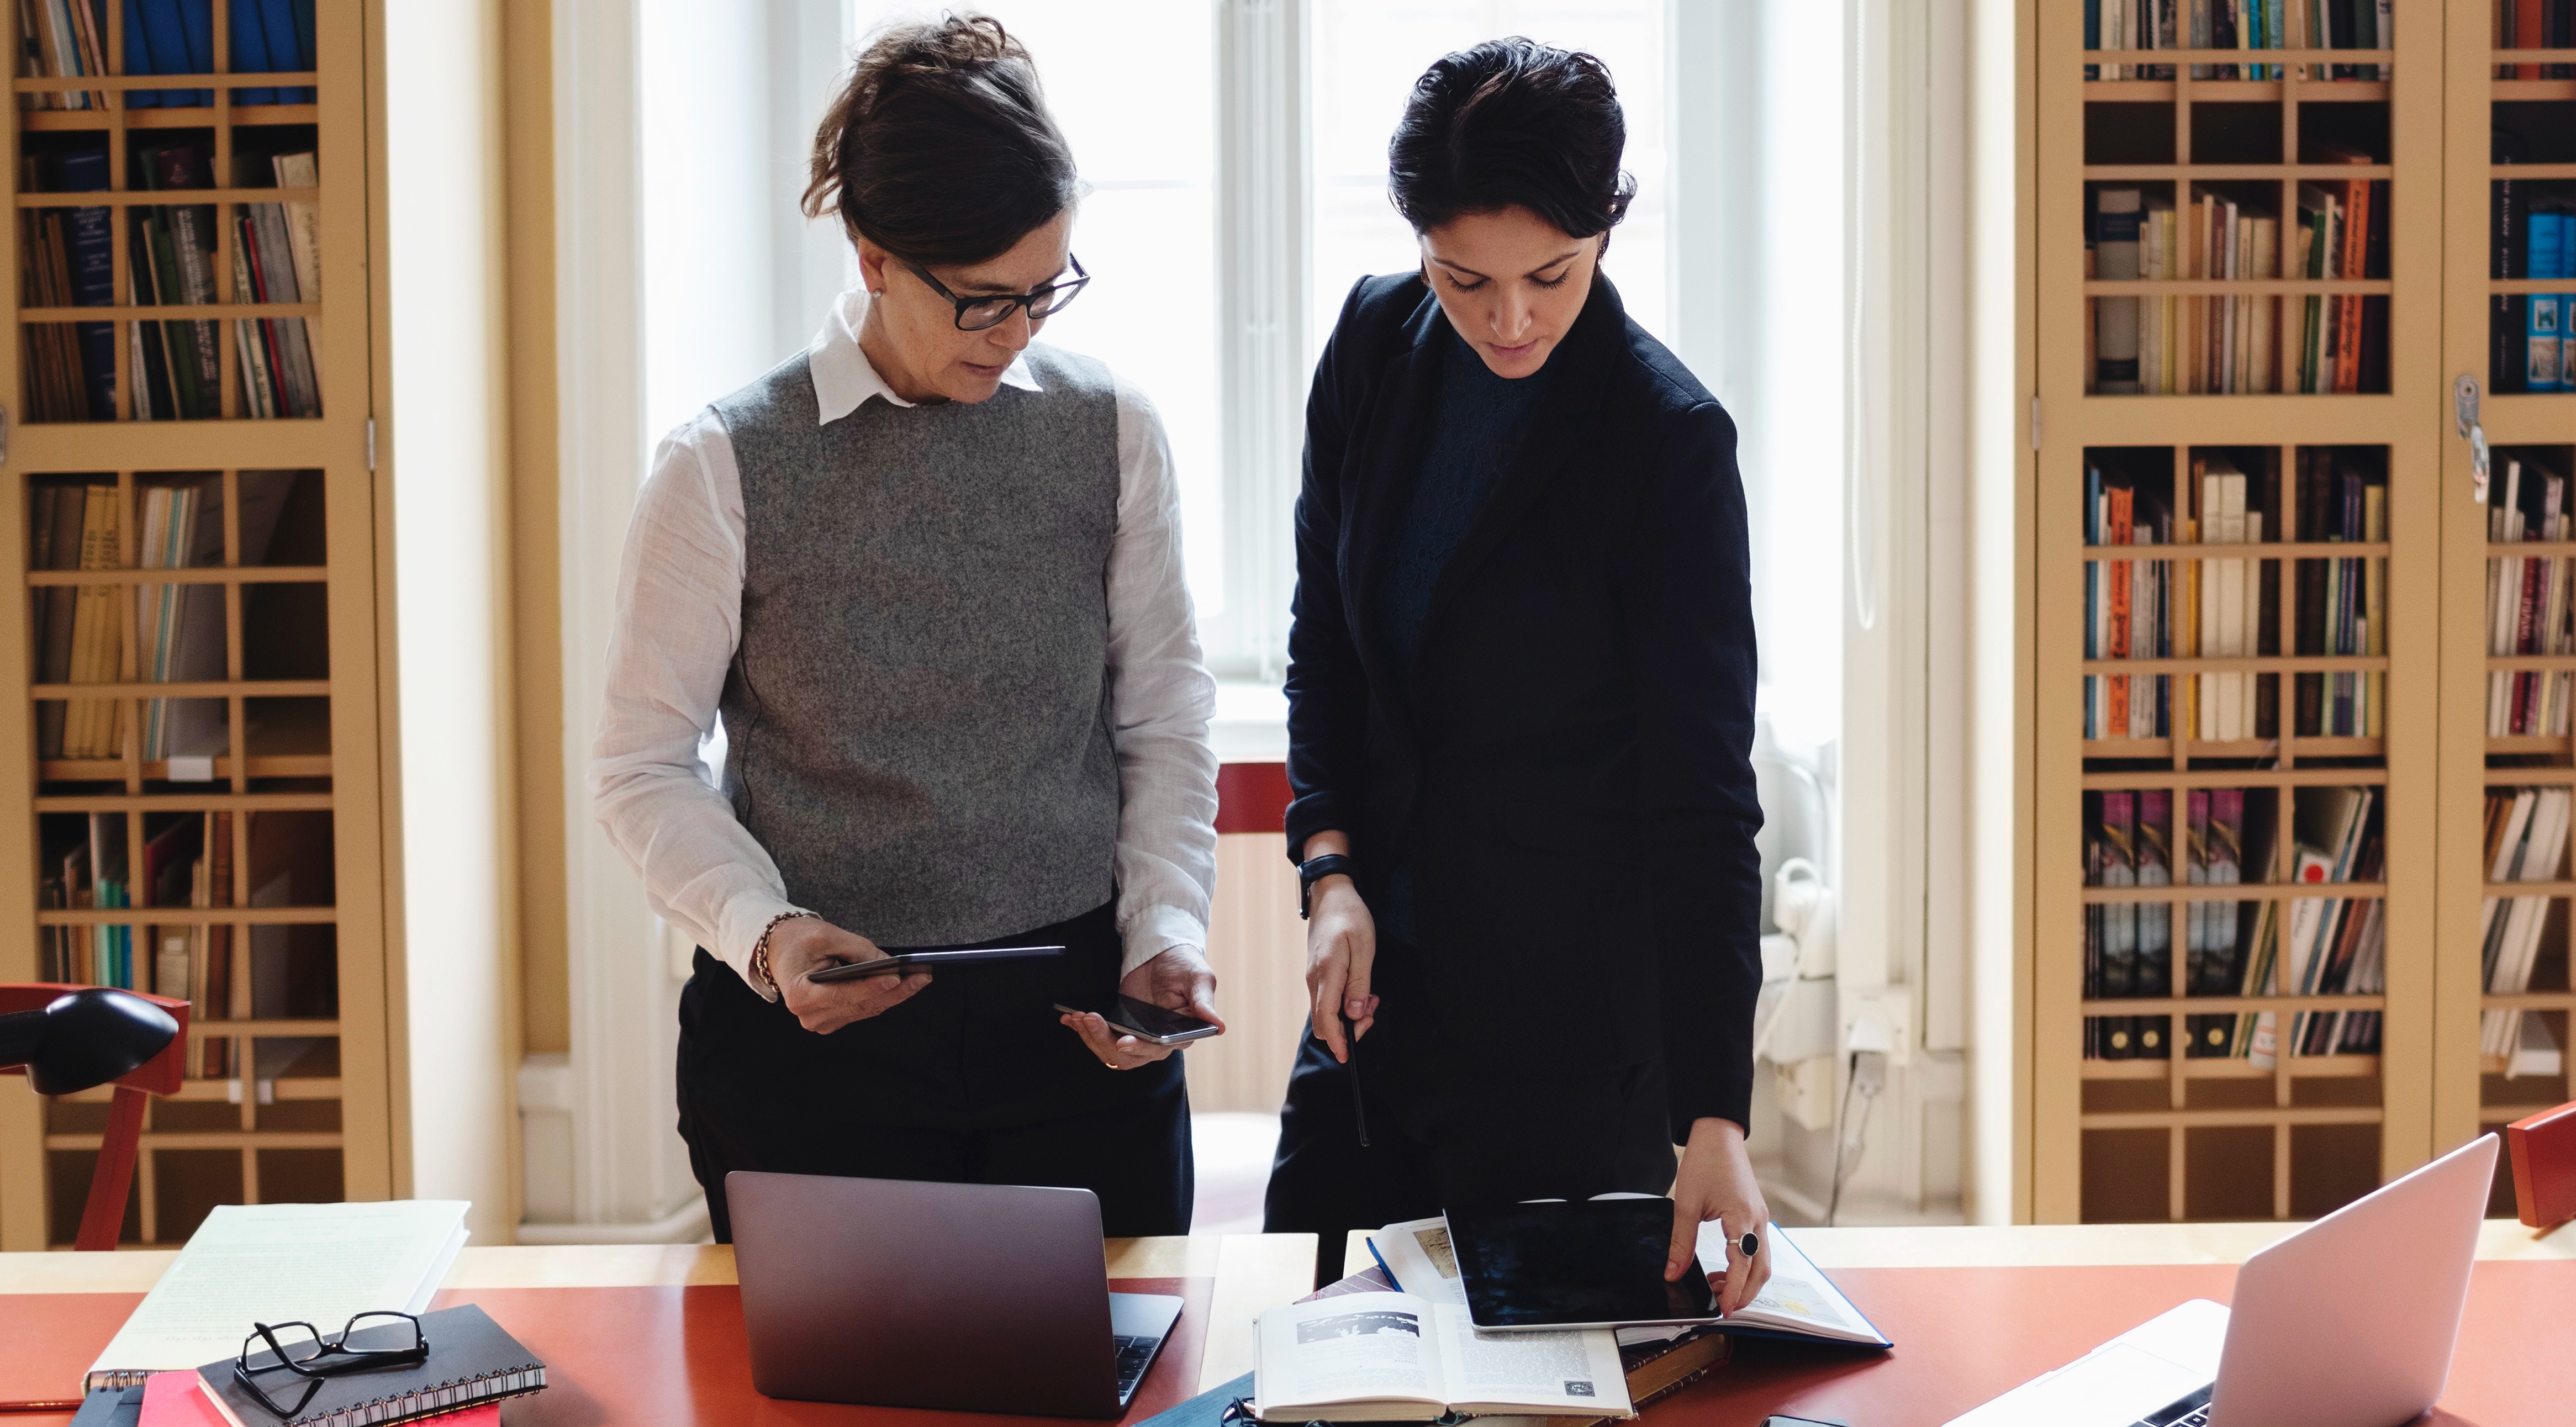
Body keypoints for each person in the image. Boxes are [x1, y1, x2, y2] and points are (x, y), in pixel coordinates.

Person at [592, 14, 1220, 1241]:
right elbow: (641, 766)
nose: (1021, 329)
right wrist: (764, 936)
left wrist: (1166, 932)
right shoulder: (721, 466)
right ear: (875, 258)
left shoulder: (1114, 432)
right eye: (985, 301)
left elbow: (1162, 714)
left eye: (1046, 290)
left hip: (1080, 1034)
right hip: (813, 1059)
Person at [1259, 38, 1771, 1305]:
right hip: (1376, 1012)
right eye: (1462, 276)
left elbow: (1704, 798)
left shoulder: (1669, 442)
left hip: (1571, 1044)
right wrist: (1328, 868)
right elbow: (1327, 637)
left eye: (1549, 273)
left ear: (1607, 224)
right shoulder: (1374, 346)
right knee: (1303, 1350)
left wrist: (1717, 1115)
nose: (1509, 318)